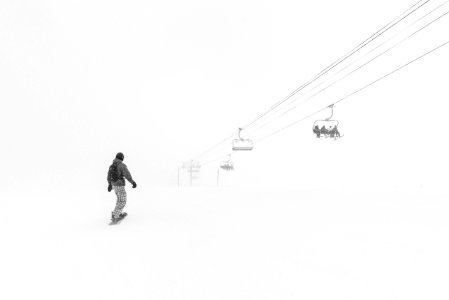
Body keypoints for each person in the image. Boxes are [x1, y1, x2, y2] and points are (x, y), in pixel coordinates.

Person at [107, 152, 137, 222]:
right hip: (120, 185)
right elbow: (127, 175)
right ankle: (115, 216)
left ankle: (116, 213)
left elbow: (109, 176)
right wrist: (133, 182)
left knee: (119, 199)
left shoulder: (112, 165)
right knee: (122, 201)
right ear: (122, 158)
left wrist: (109, 184)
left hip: (114, 185)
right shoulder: (122, 165)